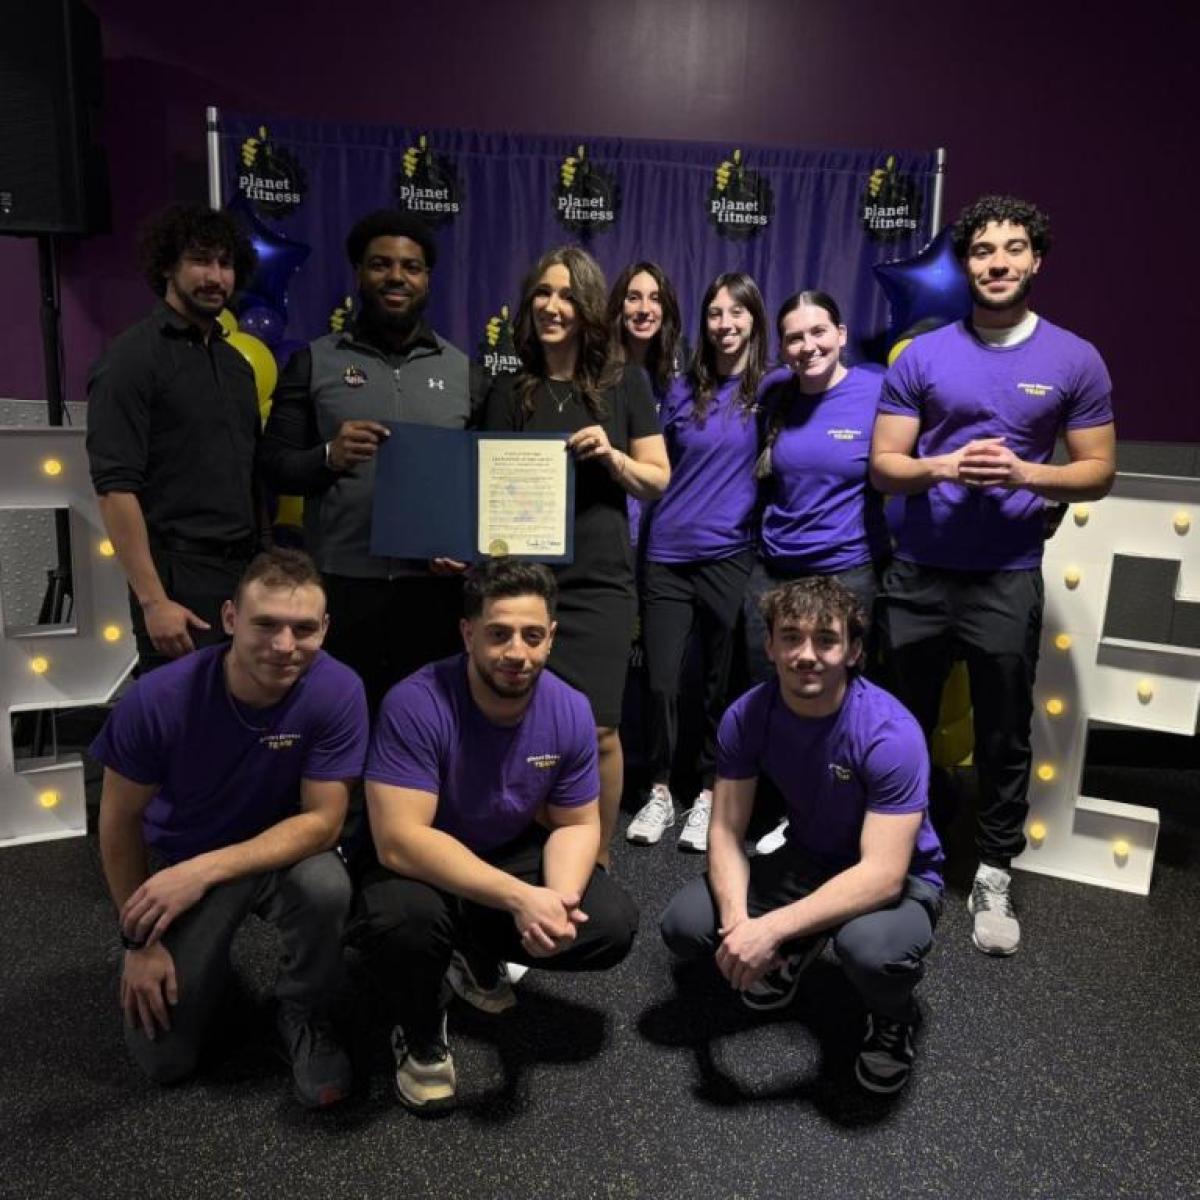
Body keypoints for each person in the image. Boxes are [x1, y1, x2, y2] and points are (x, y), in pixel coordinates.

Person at [870, 194, 1115, 956]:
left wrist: (1025, 473)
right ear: (966, 263)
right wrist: (941, 465)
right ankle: (899, 858)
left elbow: (1100, 472)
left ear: (1035, 260)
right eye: (983, 250)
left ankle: (994, 870)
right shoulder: (924, 356)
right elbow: (884, 467)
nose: (998, 262)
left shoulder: (1075, 358)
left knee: (1004, 733)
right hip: (918, 574)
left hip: (1005, 575)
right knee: (897, 726)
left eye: (1013, 249)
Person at [350, 559, 640, 1113]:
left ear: (552, 637)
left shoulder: (569, 708)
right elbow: (399, 841)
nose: (517, 652)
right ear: (467, 633)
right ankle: (418, 1029)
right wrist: (519, 899)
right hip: (418, 863)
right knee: (406, 925)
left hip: (502, 852)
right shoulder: (416, 703)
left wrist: (556, 900)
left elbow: (578, 824)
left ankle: (472, 950)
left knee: (609, 925)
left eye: (533, 636)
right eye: (499, 633)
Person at [92, 548, 369, 1107]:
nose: (285, 646)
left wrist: (209, 869)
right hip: (184, 858)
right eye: (265, 623)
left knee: (325, 885)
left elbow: (323, 822)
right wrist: (138, 942)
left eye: (304, 629)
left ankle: (304, 1012)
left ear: (325, 629)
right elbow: (117, 822)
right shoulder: (158, 700)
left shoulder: (339, 691)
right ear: (229, 619)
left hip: (270, 854)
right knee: (164, 1061)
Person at [660, 577, 944, 1094]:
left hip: (902, 879)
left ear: (853, 651)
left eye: (826, 640)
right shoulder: (746, 716)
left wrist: (770, 931)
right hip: (810, 858)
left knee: (870, 950)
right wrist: (739, 925)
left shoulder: (890, 733)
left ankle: (892, 1018)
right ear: (769, 645)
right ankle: (801, 938)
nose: (805, 655)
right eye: (790, 637)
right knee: (685, 924)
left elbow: (882, 876)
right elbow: (724, 830)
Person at [259, 209, 489, 713]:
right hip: (342, 585)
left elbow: (483, 484)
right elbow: (273, 464)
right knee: (341, 728)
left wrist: (466, 546)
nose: (396, 277)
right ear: (360, 273)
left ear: (427, 278)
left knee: (428, 731)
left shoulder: (464, 373)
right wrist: (328, 456)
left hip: (431, 592)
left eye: (411, 266)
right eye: (381, 264)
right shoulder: (315, 361)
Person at [484, 246, 670, 866]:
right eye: (542, 293)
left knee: (600, 730)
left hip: (598, 580)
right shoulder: (508, 390)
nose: (552, 306)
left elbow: (657, 479)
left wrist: (613, 457)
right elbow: (479, 490)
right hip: (520, 583)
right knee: (517, 724)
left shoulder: (625, 384)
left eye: (566, 295)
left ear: (588, 307)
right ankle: (528, 850)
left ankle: (596, 857)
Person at [625, 273, 767, 853]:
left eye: (737, 311)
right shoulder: (681, 388)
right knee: (660, 683)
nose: (725, 322)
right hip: (665, 555)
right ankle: (659, 791)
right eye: (715, 312)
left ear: (754, 319)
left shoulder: (772, 391)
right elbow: (653, 468)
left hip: (730, 557)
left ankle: (708, 795)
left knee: (719, 685)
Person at [87, 203, 261, 674]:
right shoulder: (131, 359)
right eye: (201, 261)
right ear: (167, 264)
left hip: (245, 576)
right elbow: (115, 488)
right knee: (181, 732)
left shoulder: (235, 367)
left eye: (225, 263)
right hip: (178, 582)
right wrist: (153, 601)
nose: (215, 277)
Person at [743, 290, 887, 686]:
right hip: (775, 571)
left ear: (841, 334)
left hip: (847, 571)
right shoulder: (774, 393)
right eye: (794, 338)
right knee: (765, 690)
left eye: (818, 332)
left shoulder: (877, 391)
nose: (808, 346)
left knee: (840, 695)